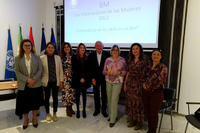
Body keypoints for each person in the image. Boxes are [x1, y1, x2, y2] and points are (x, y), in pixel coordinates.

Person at [15, 39, 43, 129]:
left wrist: (33, 80)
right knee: (24, 104)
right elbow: (17, 71)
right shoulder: (17, 58)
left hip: (35, 84)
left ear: (31, 46)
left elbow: (40, 69)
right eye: (25, 45)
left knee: (35, 103)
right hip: (24, 85)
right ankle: (25, 120)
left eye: (29, 45)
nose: (28, 47)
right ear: (22, 47)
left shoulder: (36, 56)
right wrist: (27, 80)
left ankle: (34, 118)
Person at [124, 43, 150, 130]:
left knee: (139, 103)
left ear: (140, 50)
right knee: (131, 102)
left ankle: (139, 121)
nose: (135, 50)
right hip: (130, 84)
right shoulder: (130, 60)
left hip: (140, 84)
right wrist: (125, 83)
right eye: (133, 49)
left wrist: (145, 84)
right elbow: (128, 72)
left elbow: (148, 73)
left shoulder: (145, 60)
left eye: (136, 48)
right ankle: (133, 119)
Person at [142, 49, 168, 133]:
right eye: (154, 54)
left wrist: (148, 85)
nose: (155, 56)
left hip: (156, 93)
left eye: (158, 54)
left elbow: (161, 82)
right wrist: (143, 84)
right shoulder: (148, 66)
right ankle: (150, 130)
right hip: (145, 92)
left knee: (153, 114)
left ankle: (153, 131)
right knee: (148, 113)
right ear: (151, 56)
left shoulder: (163, 67)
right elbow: (142, 77)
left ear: (161, 57)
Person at [103, 45, 127, 127]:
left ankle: (112, 120)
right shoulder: (107, 60)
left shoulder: (122, 60)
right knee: (109, 99)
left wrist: (119, 73)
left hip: (118, 81)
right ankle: (111, 115)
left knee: (114, 99)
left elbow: (125, 72)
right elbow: (103, 71)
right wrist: (107, 72)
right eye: (113, 50)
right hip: (108, 81)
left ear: (118, 51)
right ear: (111, 51)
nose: (115, 51)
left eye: (116, 50)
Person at [40, 42, 63, 122]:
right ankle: (47, 113)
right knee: (46, 98)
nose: (50, 49)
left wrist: (61, 80)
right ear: (46, 48)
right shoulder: (42, 58)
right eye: (49, 47)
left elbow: (60, 70)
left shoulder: (57, 58)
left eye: (52, 47)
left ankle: (54, 113)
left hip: (55, 81)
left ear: (54, 49)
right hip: (46, 81)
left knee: (55, 98)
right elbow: (40, 71)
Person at [88, 41, 110, 117]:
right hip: (95, 78)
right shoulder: (91, 55)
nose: (99, 47)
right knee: (96, 94)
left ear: (103, 46)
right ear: (95, 46)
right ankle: (97, 109)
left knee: (104, 94)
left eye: (100, 45)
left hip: (104, 78)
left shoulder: (107, 54)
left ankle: (104, 110)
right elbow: (89, 68)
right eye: (97, 45)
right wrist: (92, 78)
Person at [71, 43, 91, 118]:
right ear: (78, 49)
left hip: (85, 80)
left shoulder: (87, 58)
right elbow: (74, 69)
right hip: (77, 79)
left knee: (84, 95)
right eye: (81, 48)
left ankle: (84, 111)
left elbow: (88, 70)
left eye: (83, 48)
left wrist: (84, 78)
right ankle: (78, 110)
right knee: (78, 95)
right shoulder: (74, 57)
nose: (82, 49)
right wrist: (80, 78)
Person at [60, 42, 76, 117]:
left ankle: (71, 107)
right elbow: (60, 69)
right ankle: (67, 108)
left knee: (72, 93)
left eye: (68, 47)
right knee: (67, 94)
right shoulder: (61, 58)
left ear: (70, 48)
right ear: (63, 49)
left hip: (73, 77)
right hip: (65, 78)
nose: (67, 48)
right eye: (65, 47)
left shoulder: (74, 56)